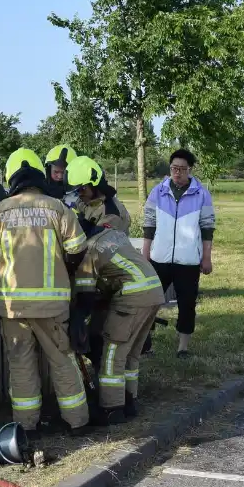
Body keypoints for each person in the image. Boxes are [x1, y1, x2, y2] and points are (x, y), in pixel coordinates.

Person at [0, 147, 91, 437]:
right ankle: (77, 422)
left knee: (21, 365)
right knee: (62, 361)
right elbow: (78, 249)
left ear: (11, 177)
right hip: (52, 307)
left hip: (13, 307)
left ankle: (26, 427)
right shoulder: (57, 208)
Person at [65, 156, 164, 425]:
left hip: (129, 296)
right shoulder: (97, 227)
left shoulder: (103, 228)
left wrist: (76, 320)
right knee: (130, 355)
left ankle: (111, 409)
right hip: (152, 289)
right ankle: (129, 402)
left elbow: (86, 295)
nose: (80, 196)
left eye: (83, 189)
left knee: (112, 353)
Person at [141, 149, 214, 359]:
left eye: (182, 169)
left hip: (188, 260)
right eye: (174, 168)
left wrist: (206, 257)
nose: (177, 173)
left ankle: (183, 348)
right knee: (150, 302)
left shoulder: (201, 194)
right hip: (159, 258)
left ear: (190, 170)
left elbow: (207, 227)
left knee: (187, 303)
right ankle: (145, 344)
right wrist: (146, 254)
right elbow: (149, 224)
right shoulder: (158, 192)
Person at [62, 155, 131, 234]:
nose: (79, 194)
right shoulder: (87, 200)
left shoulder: (111, 214)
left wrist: (84, 228)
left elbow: (102, 243)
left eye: (83, 189)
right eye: (77, 191)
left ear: (95, 184)